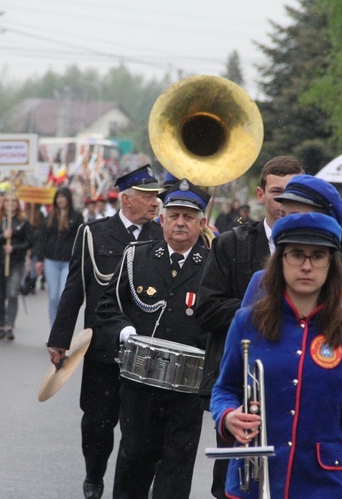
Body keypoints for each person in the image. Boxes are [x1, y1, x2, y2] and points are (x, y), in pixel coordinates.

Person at [211, 212, 342, 498]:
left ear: (331, 264)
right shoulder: (246, 322)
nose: (307, 266)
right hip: (254, 479)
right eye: (297, 255)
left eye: (318, 256)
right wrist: (227, 416)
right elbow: (224, 389)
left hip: (323, 484)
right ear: (281, 260)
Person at [46, 165, 162, 499]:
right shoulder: (94, 234)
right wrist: (59, 340)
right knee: (96, 423)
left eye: (157, 196)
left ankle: (131, 487)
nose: (156, 203)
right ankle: (94, 475)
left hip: (144, 351)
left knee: (140, 430)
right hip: (102, 348)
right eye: (148, 196)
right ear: (127, 200)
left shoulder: (160, 236)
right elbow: (74, 290)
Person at [195, 156, 304, 499]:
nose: (285, 202)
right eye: (277, 193)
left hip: (298, 384)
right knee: (233, 480)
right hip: (244, 382)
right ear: (260, 195)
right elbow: (207, 308)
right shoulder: (231, 243)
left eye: (294, 193)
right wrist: (264, 314)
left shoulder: (320, 251)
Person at [96, 179, 211, 499]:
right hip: (140, 383)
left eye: (189, 217)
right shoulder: (137, 256)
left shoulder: (214, 267)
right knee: (134, 459)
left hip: (187, 387)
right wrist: (126, 332)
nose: (180, 222)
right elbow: (107, 307)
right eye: (173, 214)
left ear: (202, 223)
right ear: (161, 218)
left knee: (176, 466)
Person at [241, 174, 342, 387]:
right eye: (284, 215)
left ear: (326, 223)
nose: (284, 224)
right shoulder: (262, 281)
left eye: (295, 216)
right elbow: (243, 349)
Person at [0, 193, 32, 340]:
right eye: (8, 201)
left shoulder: (23, 221)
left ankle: (10, 325)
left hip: (16, 262)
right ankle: (1, 325)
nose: (10, 204)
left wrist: (14, 248)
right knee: (0, 294)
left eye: (13, 201)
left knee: (12, 292)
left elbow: (29, 242)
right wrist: (3, 237)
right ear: (3, 203)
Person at [35, 186, 83, 325]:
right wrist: (39, 259)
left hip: (68, 262)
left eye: (63, 197)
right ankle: (53, 330)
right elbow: (43, 238)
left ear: (68, 199)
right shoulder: (51, 216)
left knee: (63, 295)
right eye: (58, 197)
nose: (61, 200)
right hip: (51, 261)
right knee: (53, 296)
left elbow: (81, 239)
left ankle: (61, 331)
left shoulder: (76, 216)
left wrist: (79, 259)